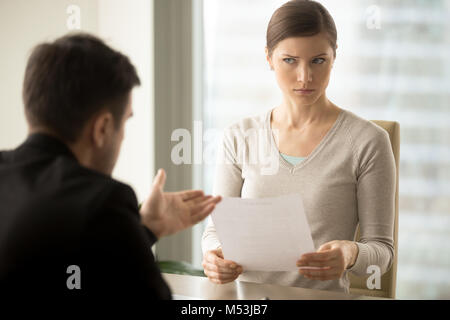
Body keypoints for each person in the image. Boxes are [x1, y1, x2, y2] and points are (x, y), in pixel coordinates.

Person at [0, 33, 221, 298]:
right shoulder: (103, 201)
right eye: (125, 122)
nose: (124, 136)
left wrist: (145, 229)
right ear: (102, 128)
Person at [201, 0, 396, 293]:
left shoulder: (369, 142)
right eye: (289, 60)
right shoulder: (238, 137)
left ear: (334, 57)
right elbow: (216, 233)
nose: (305, 77)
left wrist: (351, 253)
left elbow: (382, 251)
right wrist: (214, 256)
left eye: (318, 60)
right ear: (268, 58)